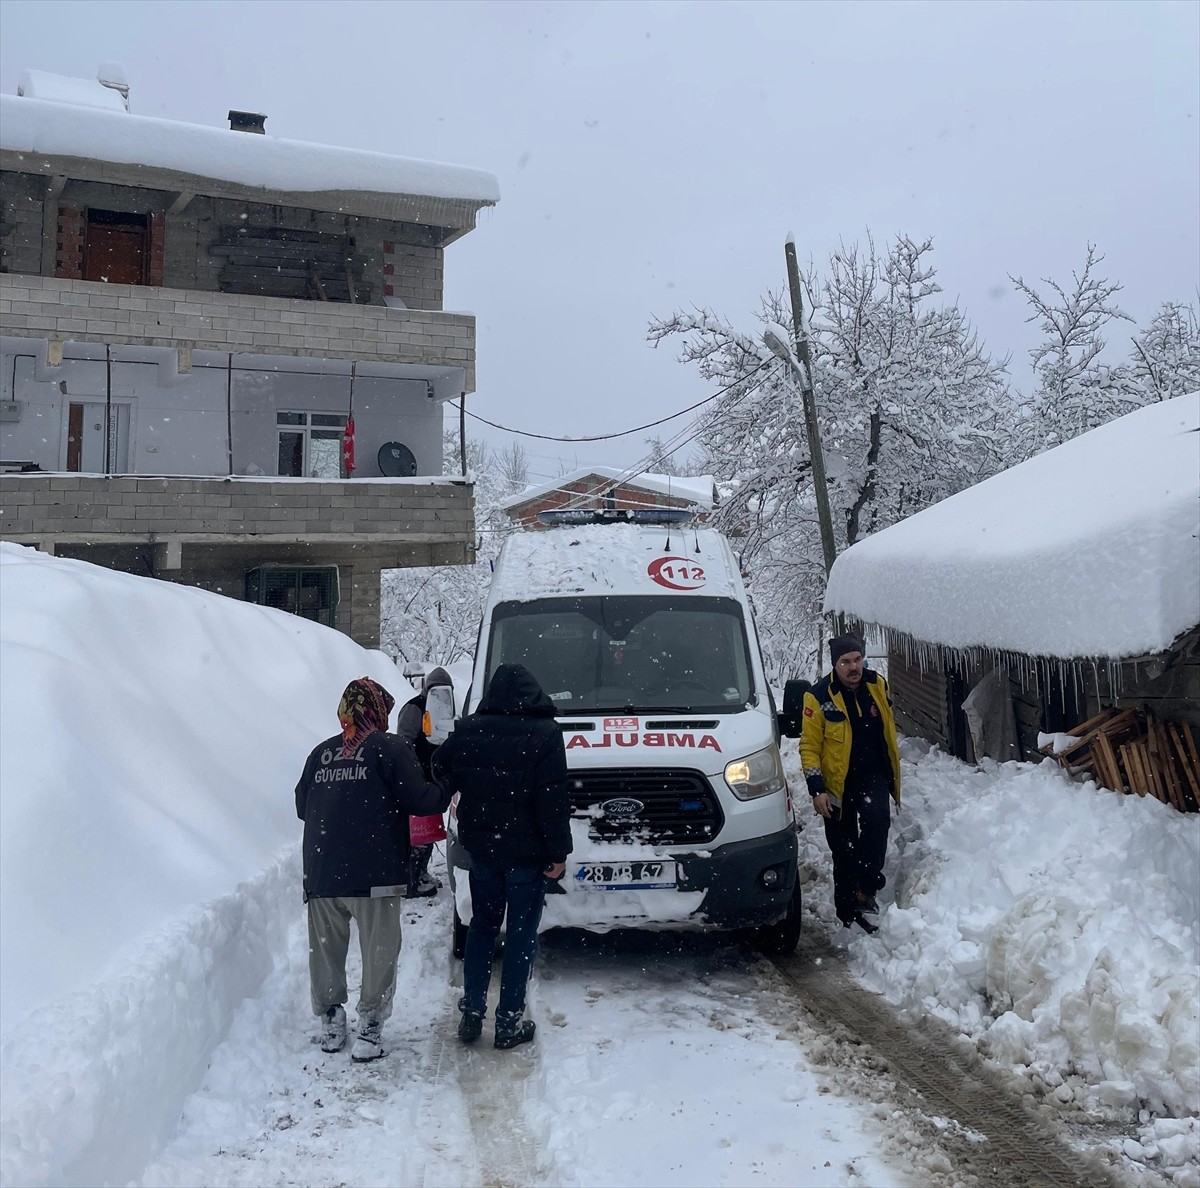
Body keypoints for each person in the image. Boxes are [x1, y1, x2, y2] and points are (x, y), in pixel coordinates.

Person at [295, 676, 452, 1062]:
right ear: (378, 711)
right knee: (379, 950)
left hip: (322, 873)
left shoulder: (320, 753)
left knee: (326, 951)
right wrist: (449, 781)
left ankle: (331, 1020)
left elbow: (302, 806)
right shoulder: (390, 748)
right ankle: (369, 1027)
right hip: (375, 874)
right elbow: (422, 800)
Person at [432, 663, 571, 1050]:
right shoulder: (546, 734)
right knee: (522, 934)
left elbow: (439, 764)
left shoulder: (471, 730)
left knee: (482, 927)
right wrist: (558, 853)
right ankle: (508, 1021)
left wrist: (463, 785)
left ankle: (472, 1010)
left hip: (485, 850)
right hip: (527, 855)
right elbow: (553, 800)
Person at [800, 634, 901, 934]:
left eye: (857, 659)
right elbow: (809, 746)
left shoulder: (877, 685)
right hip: (836, 783)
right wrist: (816, 789)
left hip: (873, 775)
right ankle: (847, 913)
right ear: (835, 665)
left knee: (877, 822)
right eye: (846, 662)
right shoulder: (818, 696)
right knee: (843, 849)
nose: (853, 667)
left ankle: (866, 889)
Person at [395, 666, 454, 898]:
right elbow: (404, 742)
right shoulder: (414, 708)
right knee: (417, 833)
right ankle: (412, 880)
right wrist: (412, 771)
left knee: (427, 832)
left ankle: (422, 872)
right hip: (417, 779)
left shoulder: (445, 709)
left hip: (433, 778)